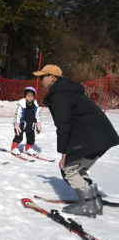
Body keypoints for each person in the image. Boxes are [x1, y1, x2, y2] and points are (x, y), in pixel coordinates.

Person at [35, 64, 119, 217]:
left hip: (93, 137)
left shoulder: (60, 95)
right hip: (100, 136)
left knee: (68, 168)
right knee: (77, 168)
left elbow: (64, 125)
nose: (40, 80)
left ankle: (87, 204)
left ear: (52, 77)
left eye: (43, 76)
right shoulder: (67, 91)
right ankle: (93, 200)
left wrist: (64, 152)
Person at [11, 86, 42, 156]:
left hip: (31, 124)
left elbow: (37, 115)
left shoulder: (35, 104)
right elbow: (17, 114)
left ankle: (28, 147)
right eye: (28, 96)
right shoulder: (21, 103)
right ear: (25, 96)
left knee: (31, 137)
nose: (30, 98)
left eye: (32, 96)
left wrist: (38, 123)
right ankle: (14, 146)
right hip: (21, 124)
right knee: (19, 136)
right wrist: (16, 124)